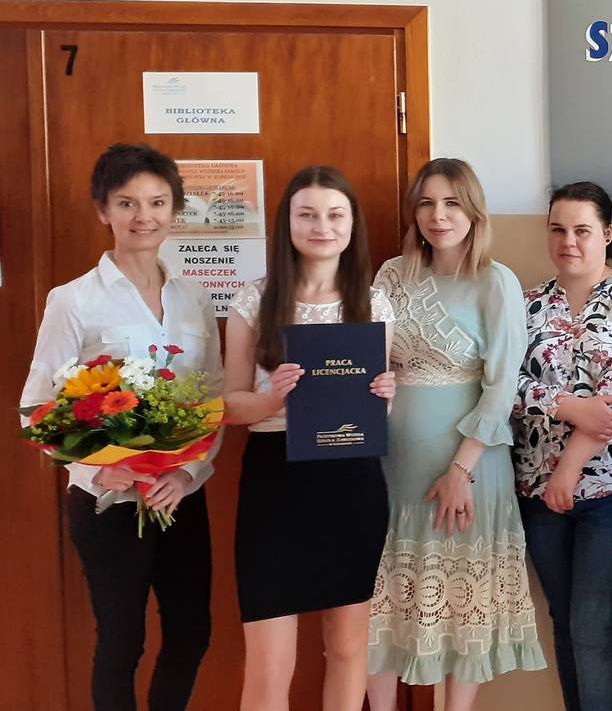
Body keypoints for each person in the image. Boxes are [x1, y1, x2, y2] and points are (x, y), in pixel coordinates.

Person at [21, 143, 221, 711]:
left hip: (179, 495)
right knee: (121, 641)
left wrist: (188, 473)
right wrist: (100, 470)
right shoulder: (73, 300)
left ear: (174, 210)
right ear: (103, 210)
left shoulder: (194, 297)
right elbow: (36, 407)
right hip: (108, 502)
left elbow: (211, 397)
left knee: (192, 633)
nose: (143, 216)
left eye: (157, 202)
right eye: (127, 203)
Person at [366, 159, 545, 711]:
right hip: (390, 464)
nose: (438, 216)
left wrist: (460, 470)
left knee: (460, 611)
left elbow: (501, 386)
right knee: (379, 604)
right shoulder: (392, 275)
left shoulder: (496, 280)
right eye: (426, 203)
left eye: (451, 203)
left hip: (468, 467)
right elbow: (367, 359)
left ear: (473, 211)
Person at [224, 166, 396, 711]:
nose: (322, 227)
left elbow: (372, 408)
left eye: (335, 215)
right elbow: (229, 405)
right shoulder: (252, 301)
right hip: (275, 480)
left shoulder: (375, 304)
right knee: (269, 665)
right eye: (308, 214)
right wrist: (274, 399)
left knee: (347, 649)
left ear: (352, 225)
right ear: (287, 223)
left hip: (351, 480)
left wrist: (385, 394)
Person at [512, 181, 612, 711]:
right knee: (566, 623)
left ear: (608, 234)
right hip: (538, 493)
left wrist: (568, 468)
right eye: (558, 230)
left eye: (582, 230)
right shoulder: (527, 304)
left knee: (596, 627)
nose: (568, 242)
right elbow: (505, 383)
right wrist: (569, 407)